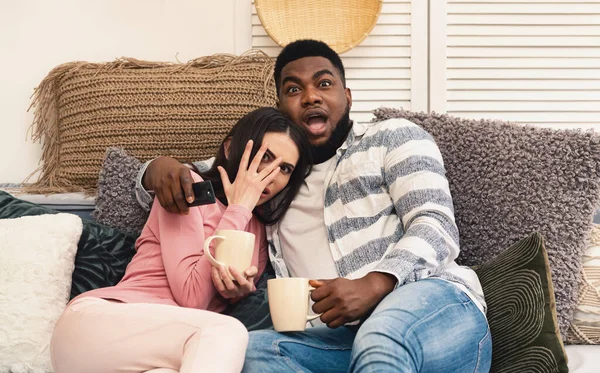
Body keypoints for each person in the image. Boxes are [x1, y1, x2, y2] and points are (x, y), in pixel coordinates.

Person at [137, 40, 492, 372]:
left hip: (432, 306)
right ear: (280, 108)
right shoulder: (268, 174)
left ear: (347, 96)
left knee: (381, 336)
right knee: (250, 351)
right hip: (336, 337)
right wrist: (157, 168)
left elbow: (435, 224)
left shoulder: (392, 137)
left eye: (324, 84)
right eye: (293, 89)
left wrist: (374, 284)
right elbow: (195, 180)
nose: (309, 97)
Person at [50, 107, 312, 373]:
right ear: (232, 149)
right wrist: (239, 208)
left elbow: (210, 302)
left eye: (285, 168)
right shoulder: (187, 189)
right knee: (229, 332)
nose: (270, 174)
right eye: (264, 157)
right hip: (98, 326)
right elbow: (192, 297)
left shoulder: (260, 232)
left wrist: (238, 294)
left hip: (161, 349)